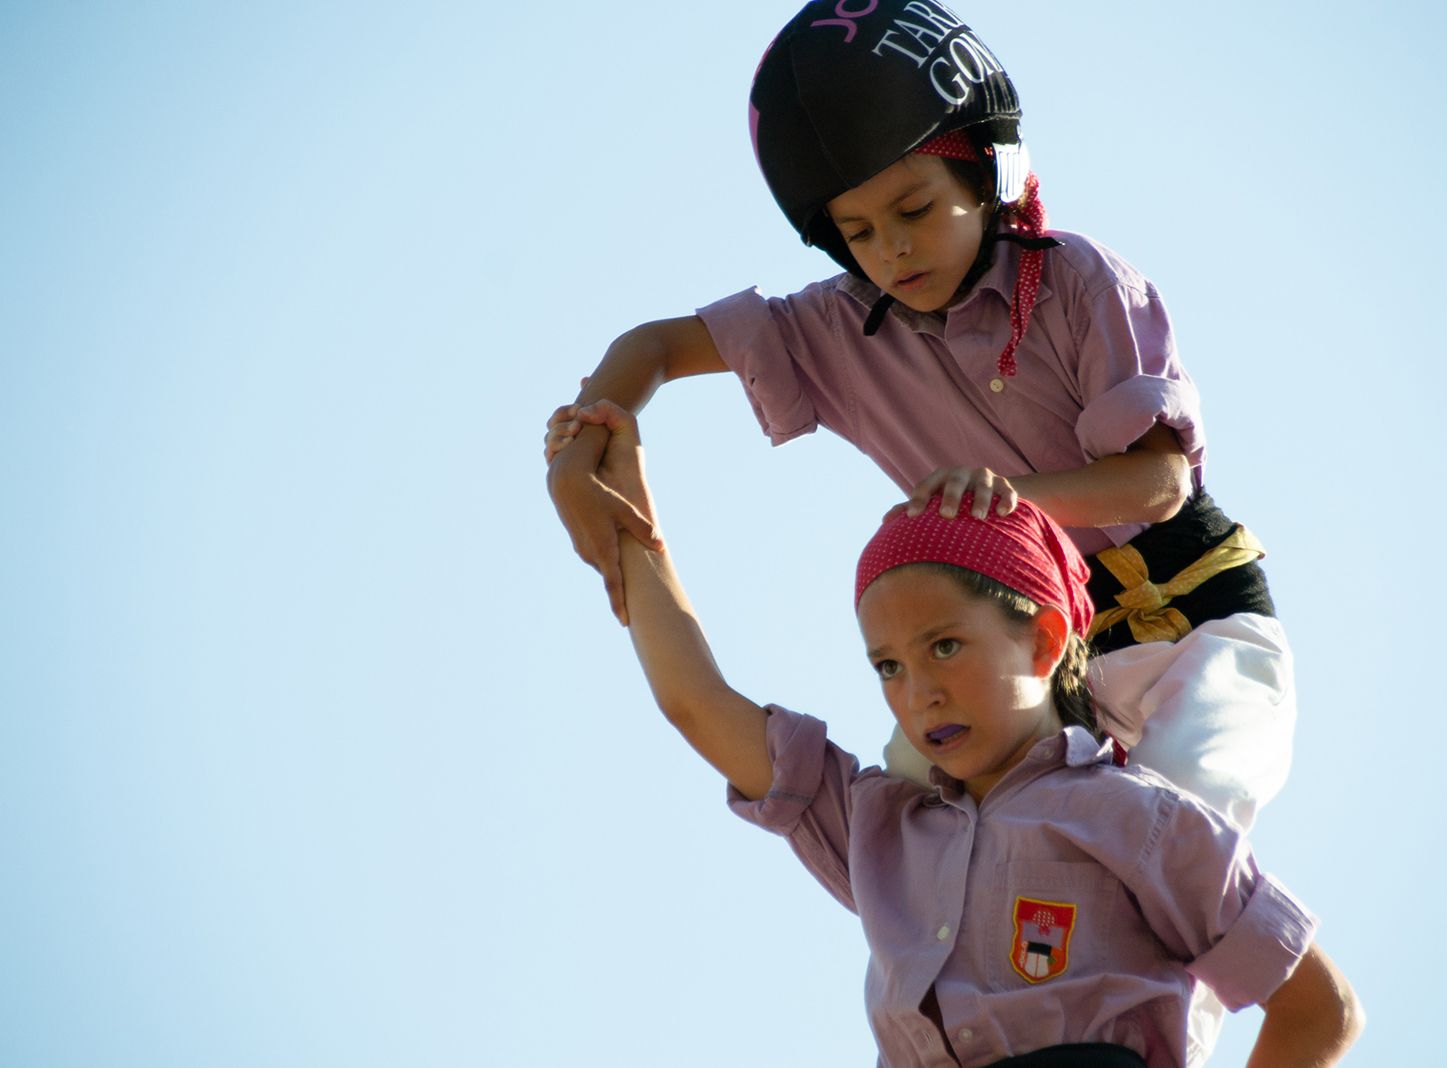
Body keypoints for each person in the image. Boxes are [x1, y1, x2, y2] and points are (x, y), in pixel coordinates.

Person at [546, 5, 1294, 1057]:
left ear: (987, 171)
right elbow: (656, 346)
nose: (891, 251)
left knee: (1175, 832)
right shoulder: (833, 330)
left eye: (914, 208)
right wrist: (591, 435)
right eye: (858, 231)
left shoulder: (1078, 280)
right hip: (1021, 672)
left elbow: (1161, 480)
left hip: (1191, 627)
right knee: (920, 852)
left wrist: (1018, 497)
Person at [554, 399, 1362, 1068]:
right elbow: (696, 701)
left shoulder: (1145, 819)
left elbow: (1319, 1011)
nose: (919, 691)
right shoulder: (878, 829)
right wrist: (629, 525)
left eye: (945, 646)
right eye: (888, 667)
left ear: (1044, 641)